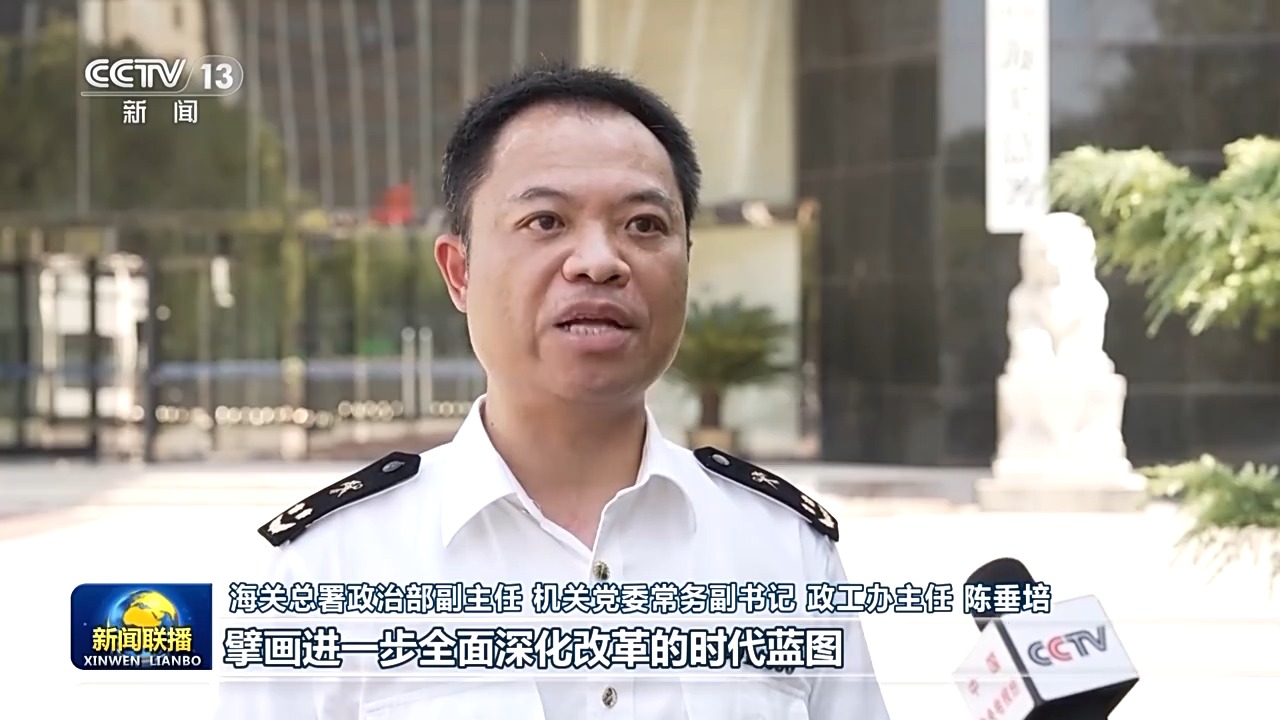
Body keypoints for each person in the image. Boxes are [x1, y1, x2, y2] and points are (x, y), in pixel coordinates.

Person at [213, 65, 889, 720]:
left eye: (644, 225)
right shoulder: (326, 571)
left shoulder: (784, 551)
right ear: (459, 272)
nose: (600, 261)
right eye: (546, 221)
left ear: (686, 263)